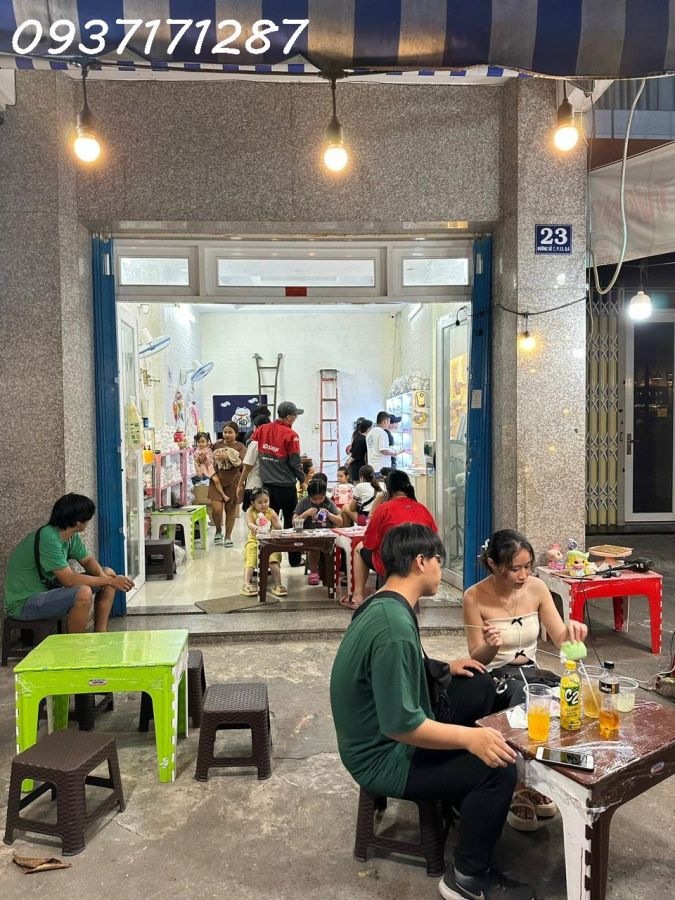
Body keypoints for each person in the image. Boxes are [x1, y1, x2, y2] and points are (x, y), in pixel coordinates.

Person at [330, 524, 535, 900]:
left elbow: (395, 666)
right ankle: (468, 878)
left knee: (478, 682)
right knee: (497, 767)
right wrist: (470, 739)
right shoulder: (392, 627)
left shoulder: (385, 603)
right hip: (383, 756)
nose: (442, 568)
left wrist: (444, 667)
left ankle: (462, 798)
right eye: (439, 560)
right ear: (421, 562)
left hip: (385, 734)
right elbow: (402, 726)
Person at [463, 528, 588, 831]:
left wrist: (573, 635)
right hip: (496, 678)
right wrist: (491, 646)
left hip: (533, 672)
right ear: (493, 564)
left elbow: (560, 638)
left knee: (568, 699)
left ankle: (544, 780)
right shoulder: (474, 597)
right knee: (527, 700)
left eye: (527, 566)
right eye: (514, 568)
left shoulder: (537, 588)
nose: (523, 575)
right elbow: (476, 659)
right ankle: (520, 785)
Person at [3, 494, 134, 633]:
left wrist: (105, 578)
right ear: (78, 521)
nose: (90, 520)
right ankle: (76, 644)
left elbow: (87, 560)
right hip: (24, 603)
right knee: (83, 592)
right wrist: (110, 581)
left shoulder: (71, 536)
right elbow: (69, 580)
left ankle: (101, 632)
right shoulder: (49, 538)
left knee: (108, 573)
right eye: (88, 516)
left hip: (48, 591)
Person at [342, 470, 436, 609]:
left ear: (388, 488)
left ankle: (357, 597)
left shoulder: (383, 509)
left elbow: (369, 543)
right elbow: (434, 541)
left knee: (359, 548)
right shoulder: (422, 509)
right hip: (418, 563)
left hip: (390, 563)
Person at [252, 401, 306, 565]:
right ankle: (294, 559)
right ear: (288, 417)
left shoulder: (262, 429)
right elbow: (295, 462)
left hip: (267, 487)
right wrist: (303, 479)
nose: (296, 418)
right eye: (295, 415)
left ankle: (269, 560)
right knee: (291, 521)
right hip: (286, 486)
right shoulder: (291, 435)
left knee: (266, 522)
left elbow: (251, 445)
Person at [293, 478, 342, 585]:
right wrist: (305, 514)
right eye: (314, 499)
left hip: (327, 534)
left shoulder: (328, 502)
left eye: (321, 498)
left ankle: (331, 571)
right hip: (310, 535)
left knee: (332, 547)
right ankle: (314, 572)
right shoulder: (304, 502)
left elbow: (340, 522)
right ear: (309, 495)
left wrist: (329, 515)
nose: (318, 501)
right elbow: (294, 522)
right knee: (314, 547)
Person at [240, 488, 287, 598]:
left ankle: (278, 584)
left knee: (273, 559)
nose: (264, 505)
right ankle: (246, 584)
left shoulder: (271, 512)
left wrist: (276, 520)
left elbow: (278, 528)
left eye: (266, 501)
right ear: (253, 503)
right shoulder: (250, 511)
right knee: (251, 558)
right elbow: (249, 524)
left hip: (269, 541)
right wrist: (256, 528)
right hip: (254, 540)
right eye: (260, 502)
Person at [210, 421, 246, 546]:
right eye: (225, 432)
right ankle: (218, 530)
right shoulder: (217, 444)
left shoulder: (241, 446)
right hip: (216, 480)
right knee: (216, 509)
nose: (227, 435)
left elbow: (243, 464)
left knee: (230, 510)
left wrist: (229, 456)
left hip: (234, 480)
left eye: (230, 432)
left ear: (236, 433)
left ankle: (228, 536)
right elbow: (209, 458)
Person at [235, 414, 271, 512]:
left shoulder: (255, 443)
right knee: (266, 516)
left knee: (252, 516)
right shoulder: (272, 443)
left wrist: (240, 484)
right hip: (269, 486)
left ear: (257, 427)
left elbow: (247, 467)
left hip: (254, 485)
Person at [366, 411, 401, 475]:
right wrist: (394, 453)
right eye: (389, 421)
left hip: (372, 467)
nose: (389, 424)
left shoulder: (370, 433)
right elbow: (383, 450)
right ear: (385, 421)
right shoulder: (382, 432)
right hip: (382, 468)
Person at [347, 418, 371, 483]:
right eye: (371, 428)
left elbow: (352, 452)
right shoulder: (362, 439)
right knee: (358, 485)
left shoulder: (359, 437)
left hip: (357, 465)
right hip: (359, 466)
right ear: (368, 429)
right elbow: (354, 454)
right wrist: (347, 463)